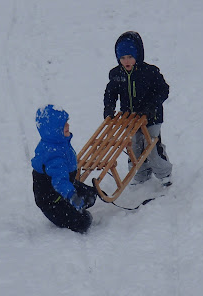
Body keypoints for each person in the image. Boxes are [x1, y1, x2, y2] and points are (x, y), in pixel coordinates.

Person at [103, 31, 172, 186]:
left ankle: (164, 174)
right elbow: (110, 93)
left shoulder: (150, 72)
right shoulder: (116, 74)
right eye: (122, 58)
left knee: (152, 146)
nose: (126, 61)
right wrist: (109, 107)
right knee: (133, 147)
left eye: (130, 57)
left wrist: (151, 106)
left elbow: (163, 90)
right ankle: (141, 175)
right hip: (130, 118)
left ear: (138, 55)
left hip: (151, 117)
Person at [31, 104, 97, 233]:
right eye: (64, 124)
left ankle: (73, 203)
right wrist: (72, 195)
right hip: (51, 201)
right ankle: (69, 210)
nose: (68, 126)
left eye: (67, 122)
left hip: (64, 185)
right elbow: (59, 181)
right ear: (53, 130)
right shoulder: (53, 154)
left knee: (91, 195)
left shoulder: (58, 142)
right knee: (82, 222)